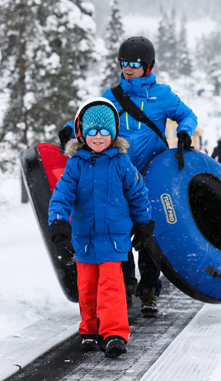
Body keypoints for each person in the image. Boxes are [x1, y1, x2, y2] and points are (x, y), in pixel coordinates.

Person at [58, 36, 197, 317]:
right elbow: (88, 118)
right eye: (124, 63)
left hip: (151, 177)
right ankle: (125, 285)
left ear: (149, 66)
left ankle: (148, 290)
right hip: (116, 179)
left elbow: (188, 115)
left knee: (148, 236)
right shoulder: (111, 97)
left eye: (134, 64)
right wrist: (69, 130)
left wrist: (184, 131)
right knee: (118, 234)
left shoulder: (163, 96)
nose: (128, 69)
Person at [48, 98, 155, 358]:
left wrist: (143, 224)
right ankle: (89, 330)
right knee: (87, 287)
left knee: (111, 287)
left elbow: (137, 194)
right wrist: (60, 227)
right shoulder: (75, 165)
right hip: (84, 239)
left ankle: (114, 333)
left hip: (113, 239)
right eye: (92, 131)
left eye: (105, 131)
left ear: (114, 133)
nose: (99, 137)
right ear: (82, 134)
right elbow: (61, 196)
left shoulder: (121, 162)